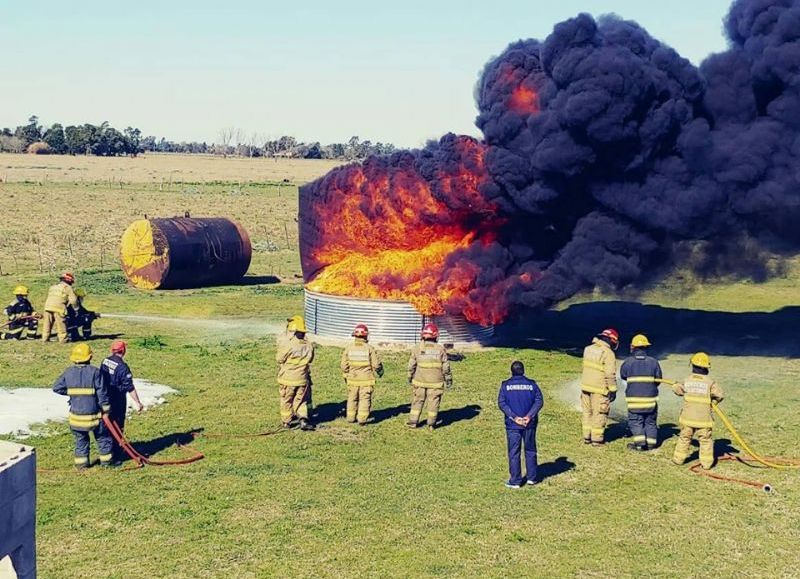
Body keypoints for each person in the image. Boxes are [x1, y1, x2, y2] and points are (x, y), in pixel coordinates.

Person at [52, 343, 113, 469]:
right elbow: (102, 393)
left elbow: (57, 388)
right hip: (94, 417)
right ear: (89, 357)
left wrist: (72, 393)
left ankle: (81, 465)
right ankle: (106, 463)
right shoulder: (95, 372)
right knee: (103, 439)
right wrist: (106, 410)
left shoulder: (68, 372)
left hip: (76, 418)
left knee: (81, 441)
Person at [671, 352, 725, 470]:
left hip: (687, 419)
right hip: (704, 421)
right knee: (705, 441)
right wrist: (714, 403)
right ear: (707, 368)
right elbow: (720, 395)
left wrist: (674, 385)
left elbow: (678, 390)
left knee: (684, 438)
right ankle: (706, 464)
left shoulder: (687, 380)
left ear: (692, 366)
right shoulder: (710, 382)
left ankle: (678, 459)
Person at [498, 361, 544, 489]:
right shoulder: (532, 385)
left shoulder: (505, 386)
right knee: (530, 450)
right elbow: (539, 401)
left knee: (514, 452)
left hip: (513, 425)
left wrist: (514, 417)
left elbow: (502, 403)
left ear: (511, 371)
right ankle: (532, 478)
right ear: (523, 371)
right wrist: (529, 416)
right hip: (529, 424)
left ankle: (516, 481)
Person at [101, 340, 144, 462]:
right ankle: (116, 452)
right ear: (123, 351)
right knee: (118, 425)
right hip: (118, 400)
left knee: (107, 425)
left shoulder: (105, 361)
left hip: (105, 398)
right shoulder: (123, 367)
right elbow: (129, 387)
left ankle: (106, 450)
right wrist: (138, 402)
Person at [619, 334, 663, 451]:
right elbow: (658, 380)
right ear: (646, 347)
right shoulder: (654, 362)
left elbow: (623, 376)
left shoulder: (628, 362)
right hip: (650, 400)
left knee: (635, 421)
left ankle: (640, 444)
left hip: (634, 401)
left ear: (632, 347)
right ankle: (652, 443)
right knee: (650, 421)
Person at [407, 323, 453, 430]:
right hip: (435, 383)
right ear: (436, 335)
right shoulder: (440, 349)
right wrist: (449, 379)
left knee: (417, 401)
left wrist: (410, 376)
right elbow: (446, 367)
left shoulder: (417, 348)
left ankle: (413, 423)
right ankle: (431, 424)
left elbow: (411, 365)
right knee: (434, 402)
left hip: (419, 381)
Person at [580, 328, 619, 446]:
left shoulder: (588, 349)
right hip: (600, 389)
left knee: (587, 412)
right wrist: (613, 389)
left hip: (585, 386)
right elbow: (610, 374)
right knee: (599, 413)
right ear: (612, 340)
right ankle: (597, 439)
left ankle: (587, 437)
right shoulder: (608, 353)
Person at [276, 315, 315, 430]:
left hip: (287, 379)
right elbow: (311, 359)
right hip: (302, 379)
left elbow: (279, 359)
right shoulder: (309, 346)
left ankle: (286, 422)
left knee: (286, 400)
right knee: (302, 400)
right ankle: (303, 419)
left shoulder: (289, 344)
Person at [341, 323, 383, 425]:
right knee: (364, 399)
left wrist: (347, 374)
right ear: (366, 336)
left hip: (352, 379)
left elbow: (343, 365)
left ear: (354, 335)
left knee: (352, 398)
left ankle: (350, 417)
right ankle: (362, 419)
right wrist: (380, 371)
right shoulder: (369, 348)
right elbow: (376, 364)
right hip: (366, 380)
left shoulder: (349, 348)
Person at [41, 272, 78, 343]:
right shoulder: (68, 288)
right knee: (61, 324)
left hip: (48, 307)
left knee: (47, 324)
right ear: (69, 280)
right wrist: (76, 309)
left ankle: (45, 339)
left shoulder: (53, 287)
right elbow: (73, 300)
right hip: (59, 307)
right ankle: (63, 340)